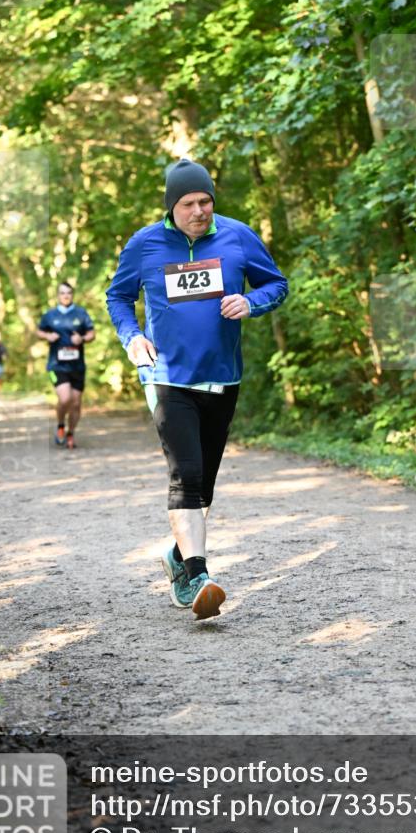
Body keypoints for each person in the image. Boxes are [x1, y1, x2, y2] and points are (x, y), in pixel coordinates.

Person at [106, 158, 288, 620]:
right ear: (172, 206)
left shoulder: (237, 235)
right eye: (188, 203)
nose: (199, 211)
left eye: (206, 201)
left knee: (203, 483)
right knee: (185, 474)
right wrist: (132, 337)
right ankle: (197, 576)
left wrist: (251, 301)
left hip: (223, 376)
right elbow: (118, 296)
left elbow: (277, 285)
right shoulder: (145, 244)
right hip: (166, 375)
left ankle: (178, 556)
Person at [37, 282, 95, 450]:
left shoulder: (81, 313)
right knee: (65, 398)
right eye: (62, 293)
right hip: (57, 365)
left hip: (77, 366)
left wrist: (82, 339)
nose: (65, 295)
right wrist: (47, 335)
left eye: (68, 292)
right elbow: (39, 331)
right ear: (57, 295)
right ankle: (61, 426)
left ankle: (71, 434)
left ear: (72, 294)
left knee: (76, 403)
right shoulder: (50, 315)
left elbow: (92, 333)